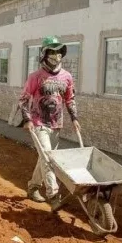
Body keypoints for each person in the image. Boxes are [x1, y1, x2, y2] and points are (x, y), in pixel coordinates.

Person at [18, 36, 81, 209]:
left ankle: (33, 187)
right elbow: (23, 99)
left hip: (56, 124)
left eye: (58, 51)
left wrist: (74, 118)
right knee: (47, 158)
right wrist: (27, 119)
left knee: (45, 158)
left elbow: (70, 99)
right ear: (45, 54)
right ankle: (53, 195)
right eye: (52, 52)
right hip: (39, 123)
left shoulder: (67, 77)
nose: (56, 55)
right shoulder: (36, 76)